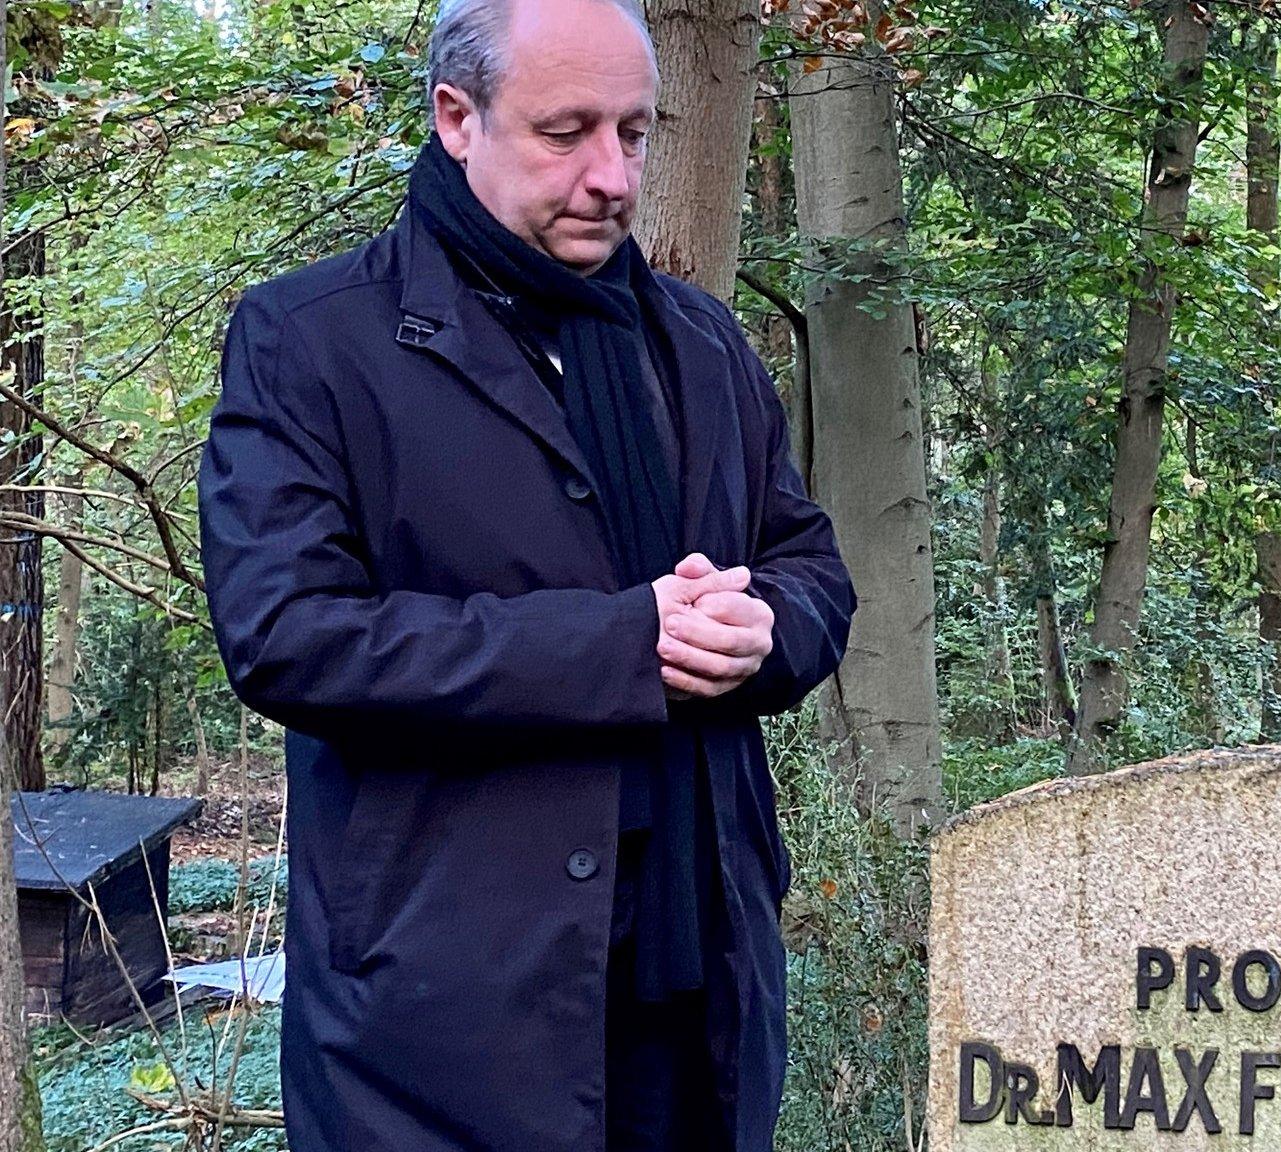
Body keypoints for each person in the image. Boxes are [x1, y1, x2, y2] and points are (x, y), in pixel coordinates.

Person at [195, 0, 855, 1147]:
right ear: (457, 117)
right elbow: (287, 635)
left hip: (701, 981)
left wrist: (764, 630)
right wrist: (618, 646)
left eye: (636, 133)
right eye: (567, 132)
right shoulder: (310, 339)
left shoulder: (700, 345)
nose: (611, 174)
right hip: (440, 1016)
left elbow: (805, 561)